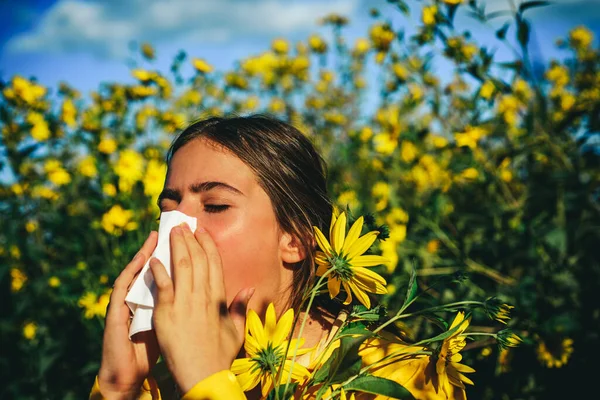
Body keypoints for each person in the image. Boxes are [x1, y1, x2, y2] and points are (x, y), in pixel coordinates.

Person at [89, 115, 469, 400]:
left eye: (216, 205)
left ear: (297, 240)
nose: (177, 230)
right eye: (167, 210)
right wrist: (118, 389)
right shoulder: (159, 384)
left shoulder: (391, 373)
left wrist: (205, 382)